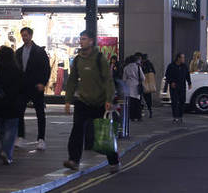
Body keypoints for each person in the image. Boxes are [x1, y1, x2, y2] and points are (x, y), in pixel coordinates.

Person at [62, 30, 118, 173]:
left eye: (84, 39)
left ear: (91, 41)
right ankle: (74, 160)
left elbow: (108, 80)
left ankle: (114, 161)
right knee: (77, 129)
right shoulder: (78, 59)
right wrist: (68, 100)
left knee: (103, 133)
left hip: (99, 102)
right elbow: (72, 81)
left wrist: (108, 99)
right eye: (80, 39)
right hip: (82, 101)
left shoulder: (100, 59)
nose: (81, 41)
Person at [15, 26, 51, 150]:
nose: (24, 38)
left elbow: (46, 68)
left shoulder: (39, 51)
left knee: (40, 113)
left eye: (26, 35)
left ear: (31, 36)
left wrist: (43, 82)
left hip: (36, 86)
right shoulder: (19, 51)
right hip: (22, 86)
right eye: (22, 36)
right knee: (19, 111)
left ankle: (41, 139)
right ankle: (21, 136)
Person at [0, 46, 26, 165]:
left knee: (2, 130)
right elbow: (22, 88)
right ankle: (6, 152)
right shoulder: (17, 70)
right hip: (13, 105)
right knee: (11, 131)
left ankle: (5, 151)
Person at [164, 53, 191, 123]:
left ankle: (180, 116)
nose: (183, 59)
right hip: (174, 86)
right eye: (182, 58)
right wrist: (171, 82)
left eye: (183, 58)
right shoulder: (171, 66)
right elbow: (167, 75)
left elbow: (187, 75)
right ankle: (175, 117)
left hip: (182, 86)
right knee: (175, 102)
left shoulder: (184, 66)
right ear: (178, 58)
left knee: (182, 101)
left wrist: (189, 83)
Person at [122, 54, 143, 122]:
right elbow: (143, 77)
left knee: (131, 103)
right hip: (137, 86)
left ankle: (132, 117)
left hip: (129, 86)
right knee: (138, 103)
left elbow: (124, 79)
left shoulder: (126, 68)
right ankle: (138, 116)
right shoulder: (138, 67)